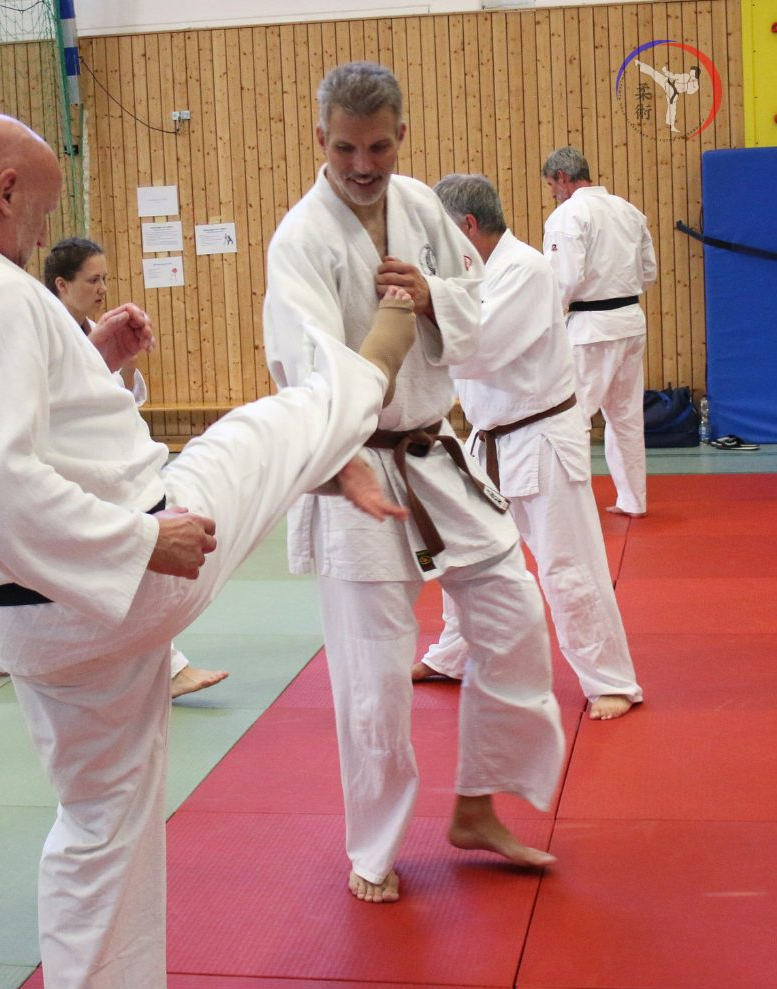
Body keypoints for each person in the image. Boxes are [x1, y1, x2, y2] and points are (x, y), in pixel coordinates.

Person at [0, 113, 415, 989]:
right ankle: (380, 361)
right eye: (42, 211)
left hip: (26, 617)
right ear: (5, 191)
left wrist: (89, 363)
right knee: (268, 427)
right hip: (133, 568)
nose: (41, 232)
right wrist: (142, 543)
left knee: (97, 826)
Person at [264, 62, 565, 906]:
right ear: (320, 139)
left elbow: (475, 300)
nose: (364, 165)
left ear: (401, 135)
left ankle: (477, 805)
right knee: (374, 674)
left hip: (434, 452)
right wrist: (337, 457)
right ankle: (374, 848)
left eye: (379, 147)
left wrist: (431, 296)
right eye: (347, 148)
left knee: (514, 617)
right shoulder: (300, 240)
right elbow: (304, 363)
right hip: (355, 460)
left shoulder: (423, 206)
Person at [0, 235, 230, 701]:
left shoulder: (90, 330)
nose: (102, 289)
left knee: (75, 575)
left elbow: (119, 401)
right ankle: (171, 668)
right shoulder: (39, 331)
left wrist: (122, 359)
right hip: (59, 470)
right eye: (92, 280)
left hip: (100, 463)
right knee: (120, 569)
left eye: (104, 279)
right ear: (62, 284)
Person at [411, 173, 642, 722]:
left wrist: (423, 309)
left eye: (440, 232)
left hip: (540, 440)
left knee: (567, 566)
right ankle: (454, 655)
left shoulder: (526, 270)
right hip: (487, 441)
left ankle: (610, 679)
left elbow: (478, 351)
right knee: (463, 558)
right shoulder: (467, 274)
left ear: (467, 226)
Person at [541, 146, 657, 518]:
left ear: (562, 177)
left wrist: (547, 324)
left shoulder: (567, 215)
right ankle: (633, 500)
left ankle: (570, 505)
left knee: (572, 417)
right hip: (630, 321)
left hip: (590, 329)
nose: (552, 192)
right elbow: (649, 272)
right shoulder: (628, 210)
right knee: (626, 417)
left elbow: (563, 280)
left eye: (551, 184)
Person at [634, 59, 701, 133]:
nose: (690, 73)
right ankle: (640, 64)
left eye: (692, 73)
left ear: (696, 74)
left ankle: (672, 126)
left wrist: (682, 84)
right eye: (691, 72)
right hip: (667, 82)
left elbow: (687, 90)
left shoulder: (695, 86)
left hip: (673, 92)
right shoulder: (686, 76)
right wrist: (666, 72)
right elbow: (674, 76)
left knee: (672, 108)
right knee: (655, 73)